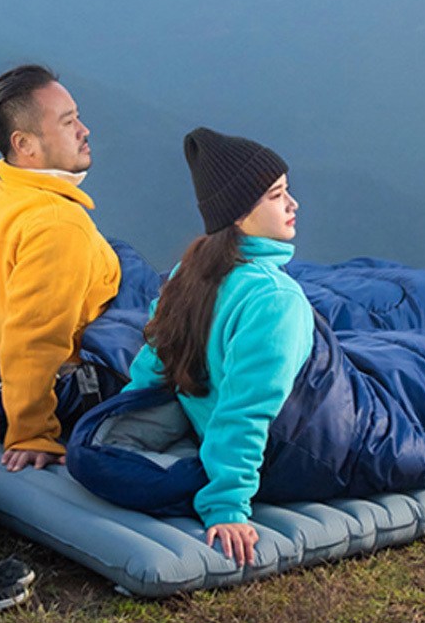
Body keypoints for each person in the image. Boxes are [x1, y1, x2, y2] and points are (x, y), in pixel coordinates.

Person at [126, 128, 314, 566]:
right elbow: (245, 409)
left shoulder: (187, 274)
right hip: (312, 447)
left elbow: (150, 370)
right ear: (238, 216)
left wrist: (114, 428)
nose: (293, 204)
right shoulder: (275, 299)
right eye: (276, 195)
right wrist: (227, 504)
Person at [0, 65, 121, 471]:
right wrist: (32, 432)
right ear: (25, 144)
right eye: (68, 122)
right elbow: (35, 339)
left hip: (9, 364)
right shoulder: (58, 223)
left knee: (120, 255)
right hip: (75, 381)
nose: (84, 130)